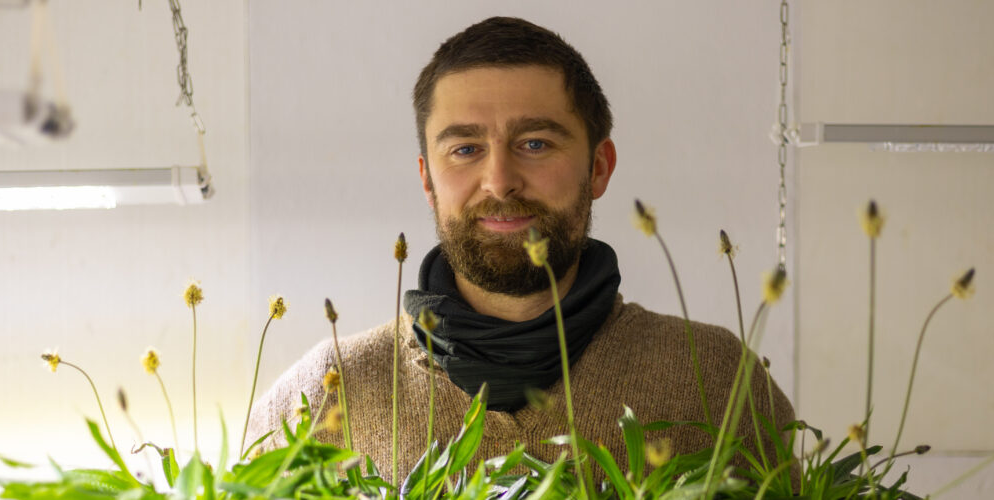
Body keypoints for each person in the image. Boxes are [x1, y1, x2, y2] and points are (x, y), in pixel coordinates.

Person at [246, 16, 794, 480]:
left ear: (598, 167)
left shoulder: (717, 380)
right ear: (428, 180)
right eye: (465, 148)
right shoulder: (322, 396)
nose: (500, 180)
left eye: (535, 143)